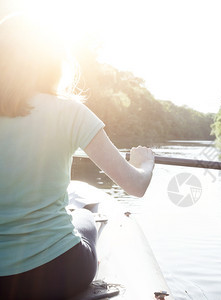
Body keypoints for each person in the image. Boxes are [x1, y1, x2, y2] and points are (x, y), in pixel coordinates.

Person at [0, 13, 155, 299]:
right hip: (56, 272)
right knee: (83, 214)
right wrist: (144, 162)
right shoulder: (70, 112)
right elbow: (136, 186)